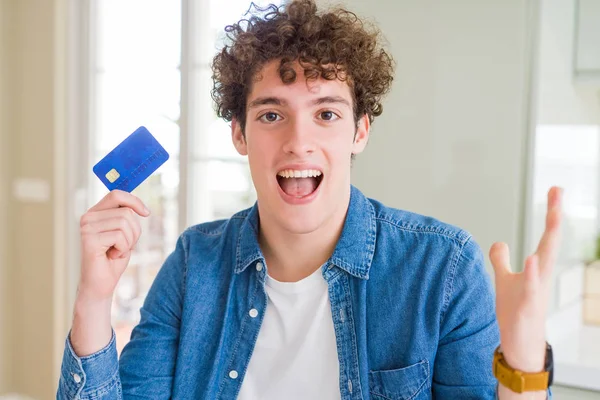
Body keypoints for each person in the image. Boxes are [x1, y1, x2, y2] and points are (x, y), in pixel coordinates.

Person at [57, 1, 563, 399]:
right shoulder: (193, 264)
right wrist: (94, 299)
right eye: (272, 115)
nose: (299, 141)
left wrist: (521, 365)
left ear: (360, 131)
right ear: (239, 135)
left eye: (326, 114)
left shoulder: (442, 267)